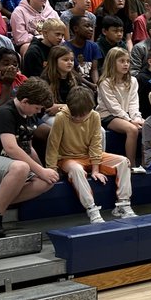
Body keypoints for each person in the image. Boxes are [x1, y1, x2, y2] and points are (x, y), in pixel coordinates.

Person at [0, 78, 59, 238]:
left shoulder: (27, 114)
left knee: (49, 180)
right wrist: (40, 171)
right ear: (25, 101)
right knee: (21, 167)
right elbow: (11, 148)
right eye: (36, 108)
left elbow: (28, 148)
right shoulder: (5, 113)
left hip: (13, 166)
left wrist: (43, 170)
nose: (38, 112)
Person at [46, 87, 137, 224]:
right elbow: (53, 145)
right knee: (76, 170)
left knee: (123, 161)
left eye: (82, 115)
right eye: (75, 115)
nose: (78, 118)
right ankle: (92, 209)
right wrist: (52, 168)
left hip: (89, 156)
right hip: (68, 158)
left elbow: (96, 143)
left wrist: (95, 169)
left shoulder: (94, 116)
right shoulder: (61, 118)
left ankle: (123, 205)